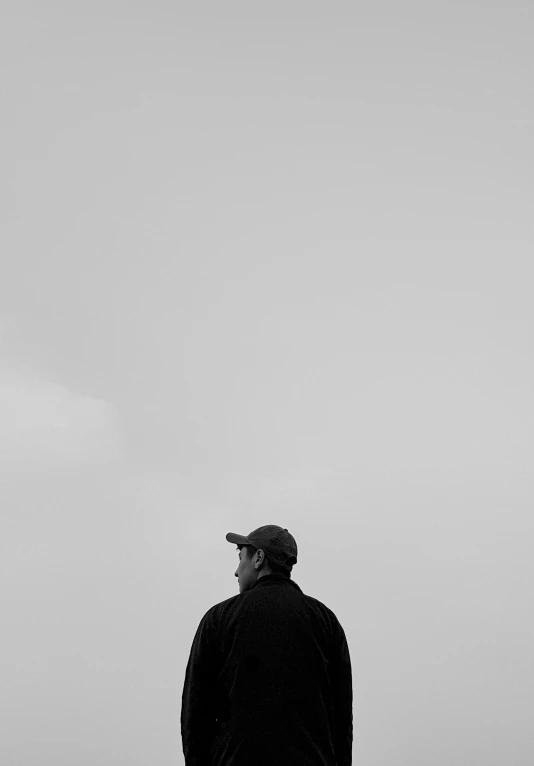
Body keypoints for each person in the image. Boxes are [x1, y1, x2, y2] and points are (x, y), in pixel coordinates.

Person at [181, 525, 353, 766]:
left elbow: (195, 717)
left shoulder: (219, 619)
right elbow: (342, 721)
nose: (235, 571)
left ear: (259, 558)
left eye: (241, 557)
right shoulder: (327, 623)